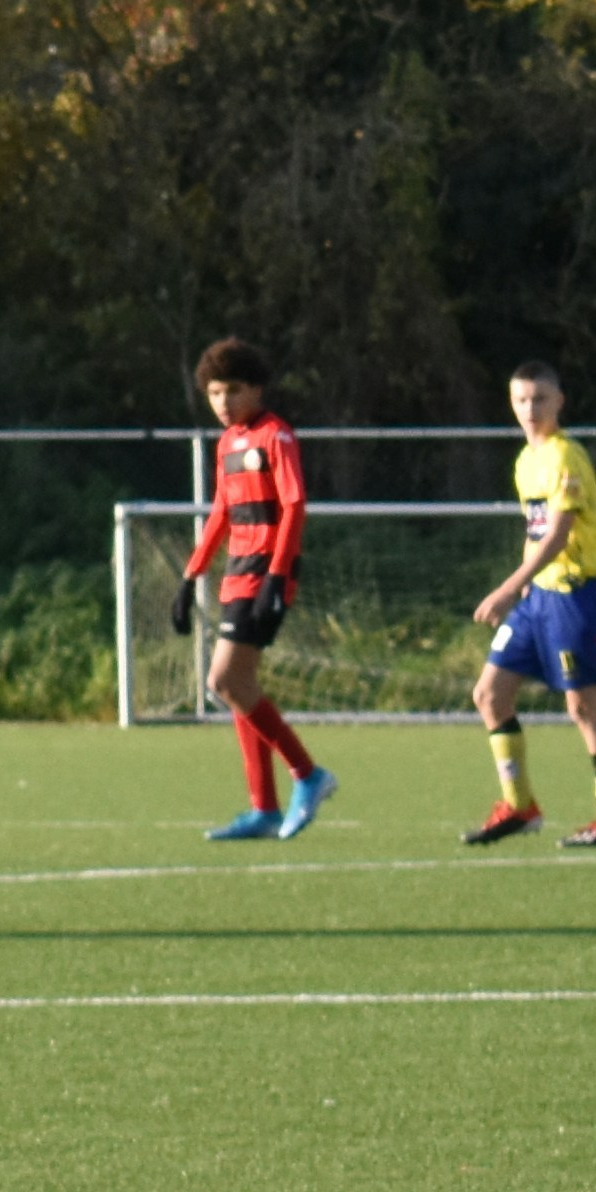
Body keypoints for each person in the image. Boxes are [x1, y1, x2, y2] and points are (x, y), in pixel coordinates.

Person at [461, 363, 596, 848]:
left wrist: (509, 587)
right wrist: (524, 591)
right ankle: (519, 806)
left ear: (560, 401)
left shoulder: (565, 457)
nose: (529, 410)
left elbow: (557, 535)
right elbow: (534, 531)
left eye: (539, 399)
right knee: (489, 696)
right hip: (537, 599)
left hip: (574, 595)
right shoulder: (524, 461)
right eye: (520, 401)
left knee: (583, 706)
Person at [180, 340, 327, 840]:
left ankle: (308, 774)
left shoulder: (275, 436)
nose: (223, 402)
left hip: (266, 569)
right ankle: (263, 809)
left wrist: (278, 577)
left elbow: (294, 506)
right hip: (237, 571)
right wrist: (190, 575)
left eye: (233, 391)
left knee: (223, 681)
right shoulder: (226, 444)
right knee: (238, 687)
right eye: (215, 393)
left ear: (257, 390)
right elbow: (221, 513)